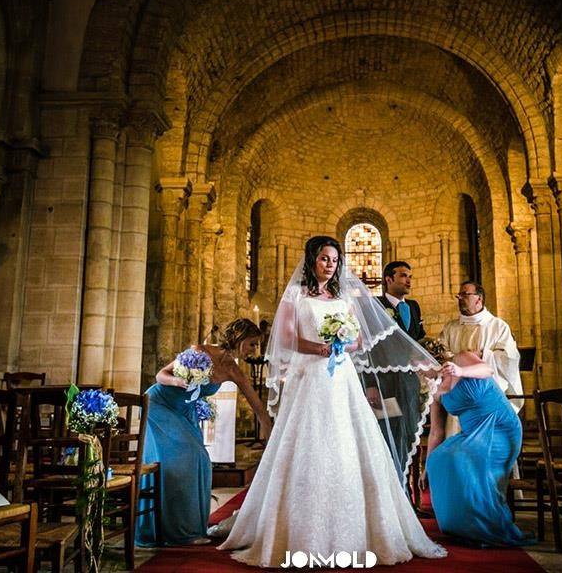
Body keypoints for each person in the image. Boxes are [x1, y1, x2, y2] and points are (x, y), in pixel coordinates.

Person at [217, 236, 447, 567]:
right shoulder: (297, 295)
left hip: (341, 378)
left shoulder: (344, 297)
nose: (331, 265)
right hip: (308, 377)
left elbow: (357, 339)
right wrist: (320, 349)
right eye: (325, 259)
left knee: (347, 442)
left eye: (335, 260)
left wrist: (343, 344)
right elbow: (285, 338)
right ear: (312, 260)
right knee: (308, 443)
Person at [136, 319, 273, 546]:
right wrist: (178, 380)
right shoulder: (199, 351)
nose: (254, 350)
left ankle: (187, 528)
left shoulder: (233, 370)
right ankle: (176, 532)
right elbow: (161, 375)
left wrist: (273, 442)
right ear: (240, 338)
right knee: (189, 458)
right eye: (252, 344)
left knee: (201, 462)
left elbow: (258, 408)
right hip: (159, 406)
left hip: (184, 412)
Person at [421, 349, 534, 546]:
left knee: (460, 459)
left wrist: (460, 371)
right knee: (439, 459)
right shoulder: (435, 391)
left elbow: (487, 369)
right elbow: (436, 432)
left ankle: (488, 526)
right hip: (472, 434)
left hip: (499, 426)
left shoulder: (461, 359)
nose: (420, 372)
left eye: (420, 366)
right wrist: (426, 467)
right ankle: (464, 526)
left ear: (433, 359)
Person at [364, 261, 427, 484]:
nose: (408, 280)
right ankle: (388, 485)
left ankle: (406, 488)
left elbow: (419, 341)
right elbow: (369, 348)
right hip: (383, 382)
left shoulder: (414, 306)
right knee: (387, 430)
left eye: (410, 276)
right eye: (403, 276)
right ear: (388, 279)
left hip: (409, 381)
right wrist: (370, 383)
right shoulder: (374, 305)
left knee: (409, 431)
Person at [438, 282, 523, 412]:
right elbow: (441, 352)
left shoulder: (498, 326)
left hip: (487, 391)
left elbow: (509, 358)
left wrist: (483, 355)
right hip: (457, 389)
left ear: (479, 298)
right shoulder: (450, 327)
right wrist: (460, 360)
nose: (460, 298)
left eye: (465, 294)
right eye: (459, 295)